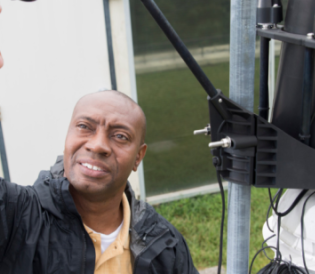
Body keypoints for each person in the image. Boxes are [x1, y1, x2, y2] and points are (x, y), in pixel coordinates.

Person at [0, 88, 199, 274]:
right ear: (67, 137)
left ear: (138, 157)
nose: (97, 145)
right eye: (84, 126)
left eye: (120, 136)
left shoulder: (164, 244)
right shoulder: (15, 215)